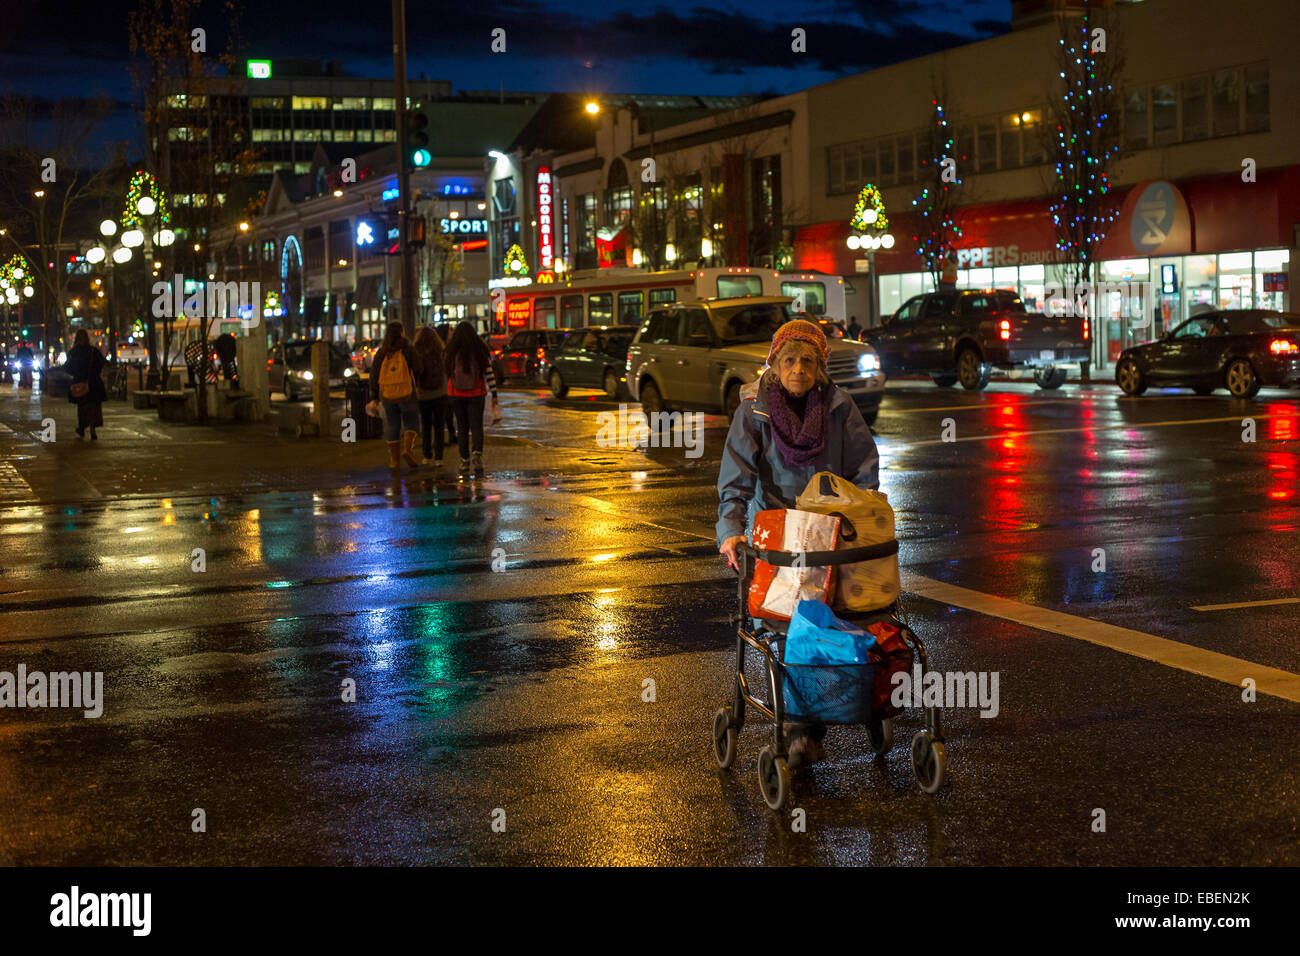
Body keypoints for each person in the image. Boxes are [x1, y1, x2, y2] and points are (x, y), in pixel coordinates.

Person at [717, 318, 880, 770]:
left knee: (833, 621)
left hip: (829, 532)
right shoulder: (753, 408)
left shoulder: (838, 405)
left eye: (808, 361)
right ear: (774, 363)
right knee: (788, 628)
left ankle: (816, 720)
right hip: (777, 533)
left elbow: (864, 466)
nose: (799, 369)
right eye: (789, 360)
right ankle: (802, 730)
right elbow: (736, 478)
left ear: (821, 367)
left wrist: (864, 511)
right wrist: (730, 530)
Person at [444, 320, 498, 480]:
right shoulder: (479, 348)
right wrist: (494, 394)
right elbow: (489, 372)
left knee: (461, 427)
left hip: (456, 394)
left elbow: (447, 372)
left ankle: (464, 460)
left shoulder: (451, 350)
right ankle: (477, 454)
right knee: (476, 427)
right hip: (476, 393)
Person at [369, 321, 421, 471]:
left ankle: (394, 460)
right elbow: (418, 368)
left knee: (393, 425)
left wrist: (374, 395)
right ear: (402, 333)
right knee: (411, 422)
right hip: (406, 393)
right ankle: (408, 450)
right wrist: (414, 382)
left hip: (387, 395)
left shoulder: (382, 352)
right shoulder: (408, 349)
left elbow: (374, 375)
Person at [412, 325, 451, 474]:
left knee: (426, 426)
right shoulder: (440, 351)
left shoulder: (417, 352)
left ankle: (427, 455)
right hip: (440, 393)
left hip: (423, 394)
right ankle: (439, 458)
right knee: (439, 427)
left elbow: (415, 372)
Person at [66, 330, 107, 440]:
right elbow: (102, 363)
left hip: (80, 381)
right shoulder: (93, 351)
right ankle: (93, 428)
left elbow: (68, 367)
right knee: (93, 406)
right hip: (93, 382)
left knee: (82, 406)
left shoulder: (74, 352)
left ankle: (82, 428)